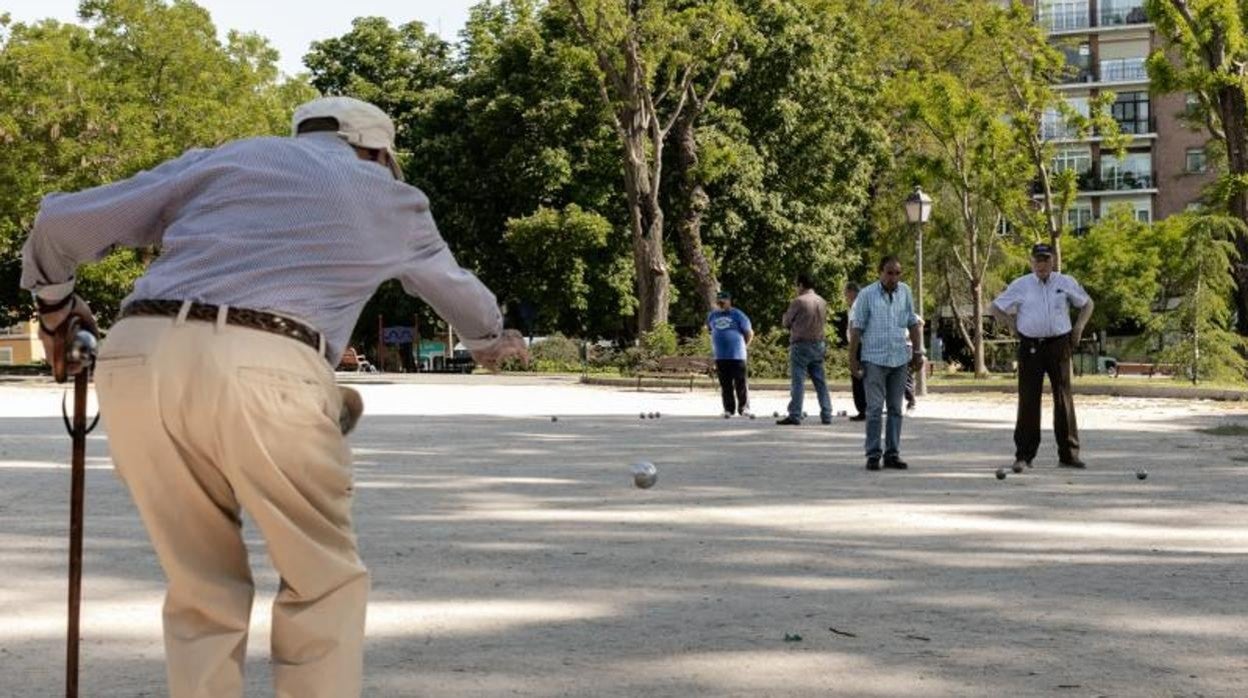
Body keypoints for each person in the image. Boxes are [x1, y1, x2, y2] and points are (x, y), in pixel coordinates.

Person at [20, 96, 529, 698]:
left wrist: (54, 310)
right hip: (269, 364)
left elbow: (59, 223)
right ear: (377, 152)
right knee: (324, 581)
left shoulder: (230, 160)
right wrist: (494, 340)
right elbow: (462, 299)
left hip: (139, 357)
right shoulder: (392, 196)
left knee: (200, 587)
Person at [991, 242, 1094, 470]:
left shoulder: (1065, 282)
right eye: (1037, 259)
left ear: (1053, 260)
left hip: (1059, 344)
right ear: (1031, 262)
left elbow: (1087, 304)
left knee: (1063, 399)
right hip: (1030, 346)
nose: (1041, 264)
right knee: (1028, 400)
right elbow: (995, 307)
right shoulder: (1021, 285)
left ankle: (1069, 454)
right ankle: (1024, 455)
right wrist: (1012, 324)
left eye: (1046, 259)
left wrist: (1078, 328)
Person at [848, 256, 924, 471]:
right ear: (880, 272)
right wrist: (852, 358)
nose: (894, 278)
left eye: (897, 273)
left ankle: (892, 453)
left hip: (899, 358)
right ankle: (873, 454)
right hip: (874, 359)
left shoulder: (905, 292)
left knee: (895, 409)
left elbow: (913, 323)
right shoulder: (866, 295)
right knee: (873, 409)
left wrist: (918, 352)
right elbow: (857, 328)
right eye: (889, 273)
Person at [778, 272, 832, 425]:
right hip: (819, 343)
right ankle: (827, 413)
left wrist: (784, 316)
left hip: (801, 344)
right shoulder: (822, 301)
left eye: (797, 285)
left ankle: (795, 413)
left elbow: (786, 322)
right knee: (820, 381)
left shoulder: (798, 301)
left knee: (798, 381)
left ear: (801, 285)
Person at [707, 290, 754, 417]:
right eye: (719, 302)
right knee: (725, 384)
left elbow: (749, 333)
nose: (721, 304)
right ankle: (728, 409)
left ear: (729, 301)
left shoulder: (738, 314)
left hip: (737, 355)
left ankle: (744, 408)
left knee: (740, 383)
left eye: (723, 301)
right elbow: (711, 331)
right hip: (721, 355)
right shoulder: (712, 315)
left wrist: (744, 346)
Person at [839, 282, 867, 421]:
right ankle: (866, 408)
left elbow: (853, 327)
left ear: (851, 292)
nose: (845, 297)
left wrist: (852, 350)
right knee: (863, 377)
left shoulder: (856, 306)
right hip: (863, 344)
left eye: (846, 293)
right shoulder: (862, 304)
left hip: (859, 345)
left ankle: (862, 409)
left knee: (857, 377)